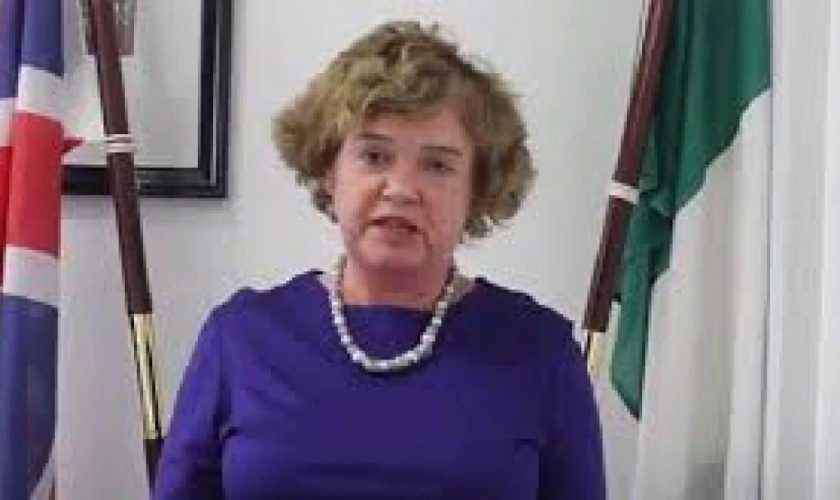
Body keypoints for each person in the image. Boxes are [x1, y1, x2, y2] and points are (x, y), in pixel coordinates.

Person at [154, 20, 605, 500]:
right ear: (329, 171)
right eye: (374, 156)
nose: (401, 189)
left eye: (437, 165)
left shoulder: (541, 353)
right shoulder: (239, 339)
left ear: (477, 190)